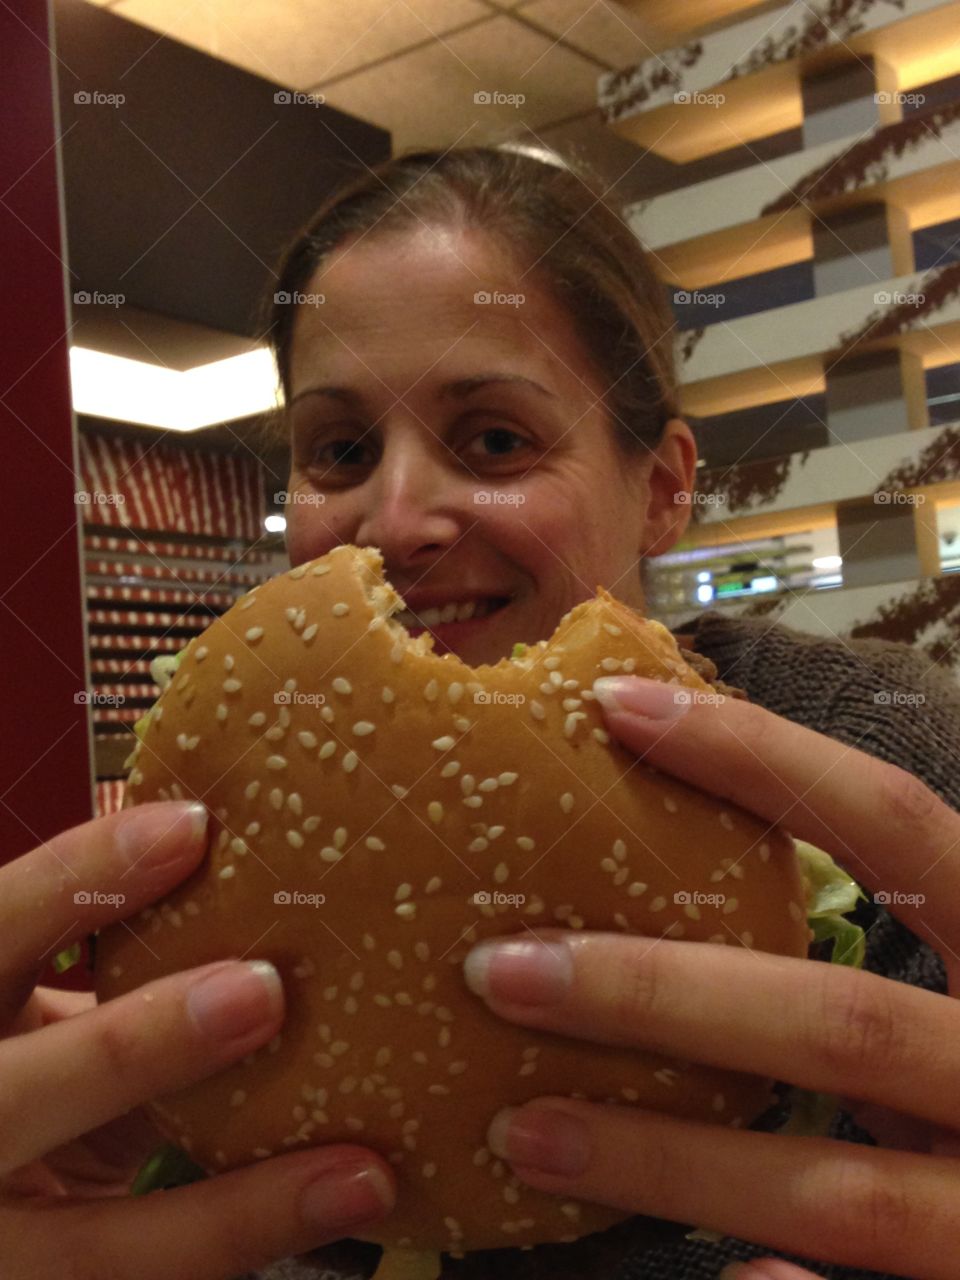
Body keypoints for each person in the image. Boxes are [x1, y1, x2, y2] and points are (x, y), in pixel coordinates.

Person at [4, 145, 960, 1280]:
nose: (395, 517)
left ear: (660, 487)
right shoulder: (221, 880)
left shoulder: (898, 756)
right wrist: (109, 1171)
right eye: (343, 450)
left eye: (496, 439)